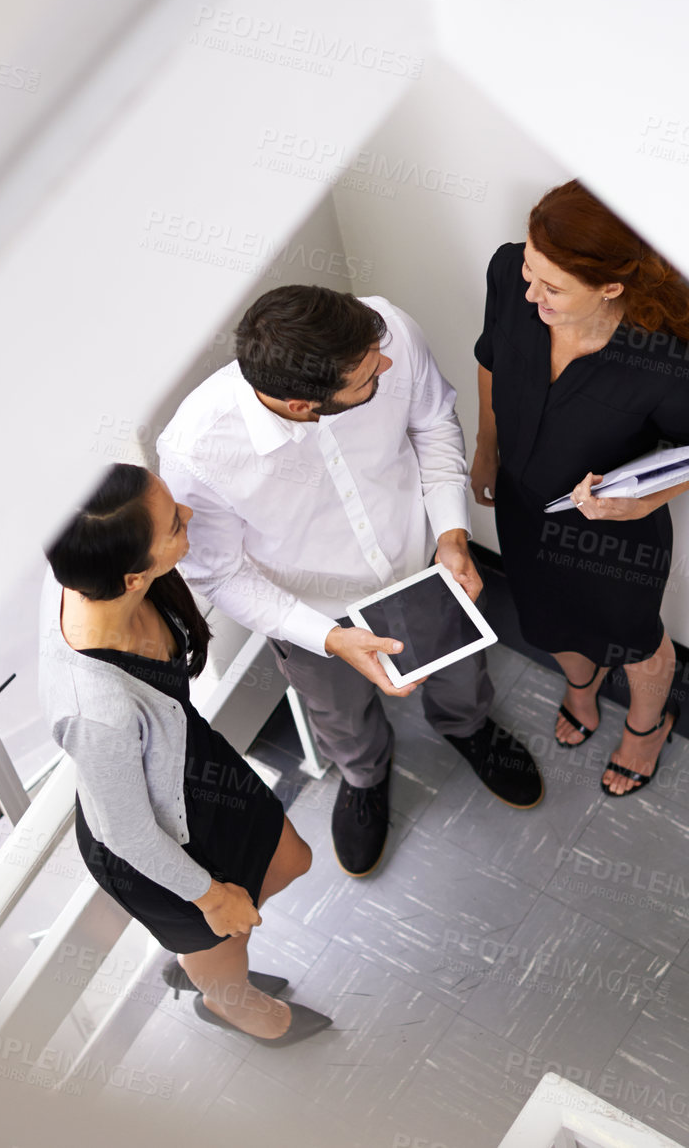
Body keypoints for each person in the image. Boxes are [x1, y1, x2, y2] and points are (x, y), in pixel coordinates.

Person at [158, 286, 542, 880]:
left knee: (463, 673)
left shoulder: (383, 327)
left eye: (379, 353)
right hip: (312, 618)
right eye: (367, 376)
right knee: (338, 714)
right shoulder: (198, 453)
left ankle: (468, 727)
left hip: (422, 563)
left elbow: (434, 423)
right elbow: (218, 573)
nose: (385, 364)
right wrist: (331, 639)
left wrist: (452, 535)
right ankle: (364, 776)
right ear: (303, 405)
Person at [41, 464, 331, 1045]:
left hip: (193, 767)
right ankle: (225, 997)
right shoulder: (96, 709)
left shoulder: (89, 559)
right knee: (225, 928)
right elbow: (129, 834)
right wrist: (211, 898)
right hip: (151, 838)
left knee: (289, 861)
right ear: (132, 578)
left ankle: (206, 957)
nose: (189, 518)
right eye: (175, 524)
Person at [470, 180, 689, 796]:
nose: (529, 290)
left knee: (636, 639)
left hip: (614, 535)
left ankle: (647, 727)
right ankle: (581, 687)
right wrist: (487, 450)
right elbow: (491, 357)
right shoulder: (510, 273)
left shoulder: (660, 362)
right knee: (547, 620)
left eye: (552, 287)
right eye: (530, 271)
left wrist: (641, 503)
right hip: (524, 505)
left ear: (611, 287)